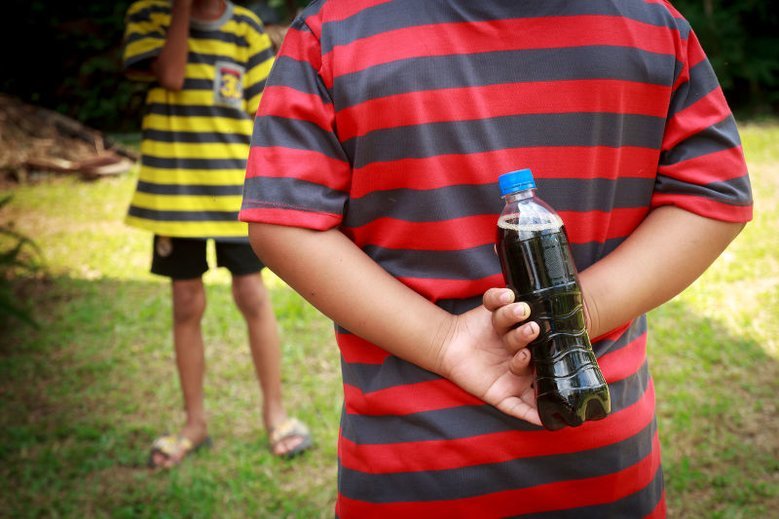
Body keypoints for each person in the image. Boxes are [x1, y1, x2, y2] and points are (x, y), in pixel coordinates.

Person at [239, 0, 752, 516]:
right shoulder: (650, 23)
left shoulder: (334, 29)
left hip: (411, 468)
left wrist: (447, 342)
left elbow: (285, 222)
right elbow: (714, 199)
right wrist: (572, 316)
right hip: (602, 448)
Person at [122, 0, 312, 468]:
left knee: (252, 295)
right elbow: (170, 74)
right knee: (186, 301)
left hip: (233, 195)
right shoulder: (150, 15)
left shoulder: (247, 28)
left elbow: (264, 114)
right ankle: (194, 423)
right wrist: (182, 10)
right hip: (175, 195)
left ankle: (276, 415)